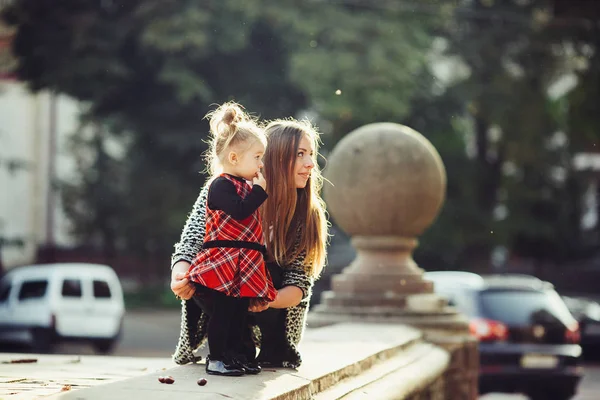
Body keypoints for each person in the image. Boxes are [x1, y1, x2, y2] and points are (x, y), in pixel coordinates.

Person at [170, 118, 328, 370]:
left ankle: (259, 349)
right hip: (220, 293)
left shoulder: (305, 214)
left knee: (263, 270)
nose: (310, 164)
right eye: (300, 154)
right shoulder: (221, 189)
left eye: (311, 154)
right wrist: (179, 276)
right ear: (271, 159)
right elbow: (190, 244)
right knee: (212, 267)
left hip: (267, 310)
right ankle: (225, 353)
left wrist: (264, 297)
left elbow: (298, 285)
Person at [183, 102, 277, 376]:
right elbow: (239, 212)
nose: (261, 164)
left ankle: (236, 355)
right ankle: (217, 358)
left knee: (240, 315)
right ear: (234, 158)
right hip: (225, 259)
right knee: (223, 313)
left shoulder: (244, 185)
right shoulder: (220, 185)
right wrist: (260, 192)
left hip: (245, 259)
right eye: (257, 157)